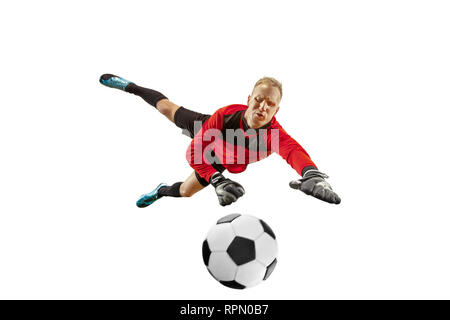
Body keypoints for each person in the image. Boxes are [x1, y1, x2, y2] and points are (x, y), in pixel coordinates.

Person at [99, 74, 341, 207]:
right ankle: (129, 86)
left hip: (221, 161)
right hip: (208, 133)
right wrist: (215, 179)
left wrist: (312, 174)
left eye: (270, 104)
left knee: (185, 191)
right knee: (166, 108)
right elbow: (194, 152)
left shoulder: (273, 136)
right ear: (249, 99)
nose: (262, 106)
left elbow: (293, 151)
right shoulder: (225, 115)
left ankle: (160, 191)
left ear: (276, 111)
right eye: (259, 99)